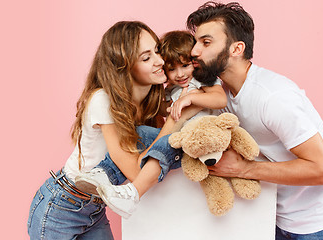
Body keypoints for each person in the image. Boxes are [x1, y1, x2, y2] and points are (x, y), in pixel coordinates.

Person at [186, 1, 323, 239]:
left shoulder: (273, 97)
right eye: (196, 42)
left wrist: (245, 169)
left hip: (317, 224)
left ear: (236, 49)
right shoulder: (220, 94)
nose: (194, 51)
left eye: (206, 42)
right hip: (271, 216)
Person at [27, 21, 197, 239]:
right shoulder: (103, 100)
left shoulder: (150, 103)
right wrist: (177, 119)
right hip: (62, 206)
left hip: (95, 209)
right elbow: (136, 172)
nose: (160, 61)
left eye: (157, 51)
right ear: (124, 66)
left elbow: (154, 152)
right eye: (146, 58)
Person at [74, 30, 227, 218]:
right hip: (74, 200)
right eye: (171, 68)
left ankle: (132, 193)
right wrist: (175, 112)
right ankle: (105, 175)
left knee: (169, 140)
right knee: (146, 134)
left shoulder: (200, 80)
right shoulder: (107, 99)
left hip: (201, 136)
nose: (178, 73)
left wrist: (192, 100)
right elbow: (166, 114)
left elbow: (220, 99)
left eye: (156, 52)